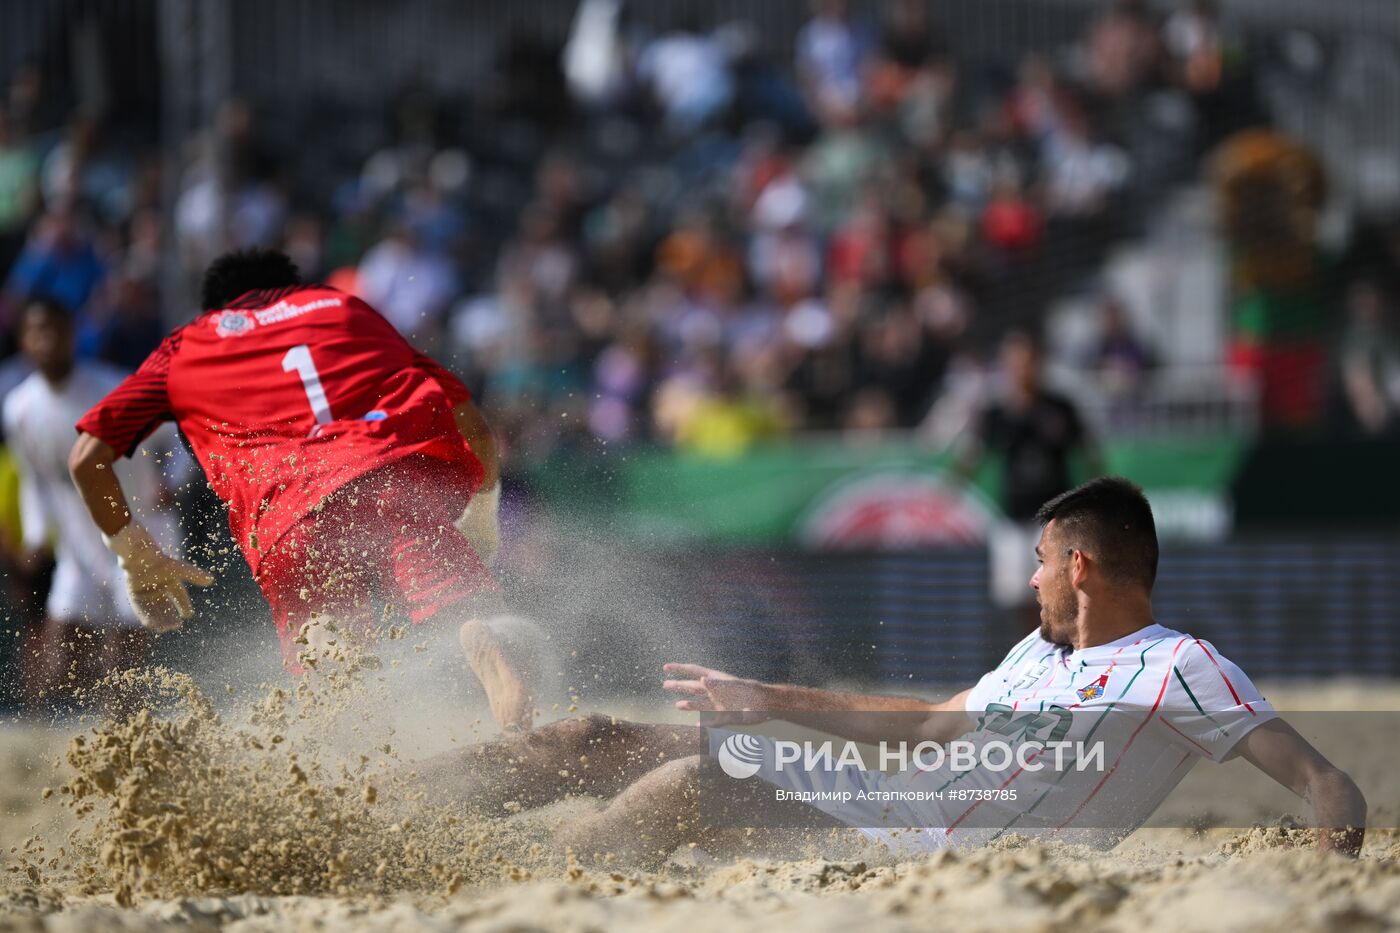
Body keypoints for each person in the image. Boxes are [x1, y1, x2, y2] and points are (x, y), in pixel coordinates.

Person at [416, 478, 1366, 864]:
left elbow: (1329, 782)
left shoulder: (1181, 667)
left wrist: (1330, 878)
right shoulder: (1041, 649)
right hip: (879, 793)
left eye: (1039, 557)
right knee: (595, 738)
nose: (1029, 574)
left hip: (921, 845)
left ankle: (512, 881)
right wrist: (766, 697)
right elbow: (921, 727)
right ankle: (370, 811)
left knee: (683, 782)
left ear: (1080, 566)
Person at [68, 248, 537, 730]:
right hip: (385, 479)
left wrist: (135, 555)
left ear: (218, 308)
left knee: (335, 675)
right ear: (294, 287)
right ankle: (486, 653)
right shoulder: (343, 308)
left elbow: (85, 459)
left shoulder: (188, 344)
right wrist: (483, 512)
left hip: (287, 516)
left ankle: (363, 759)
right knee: (466, 612)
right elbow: (473, 424)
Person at [3, 297, 177, 714]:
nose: (46, 340)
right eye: (36, 331)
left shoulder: (112, 388)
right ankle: (37, 761)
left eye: (55, 329)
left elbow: (174, 439)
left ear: (72, 334)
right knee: (57, 661)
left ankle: (136, 755)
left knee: (120, 665)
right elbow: (36, 480)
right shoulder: (19, 408)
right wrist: (36, 535)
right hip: (79, 548)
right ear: (23, 341)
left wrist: (172, 482)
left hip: (140, 540)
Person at [955, 331, 1100, 627]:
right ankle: (1032, 654)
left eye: (1027, 360)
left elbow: (1087, 453)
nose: (1021, 368)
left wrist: (1094, 498)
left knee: (1059, 592)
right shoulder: (997, 413)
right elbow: (973, 455)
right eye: (1014, 362)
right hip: (1013, 519)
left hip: (1054, 519)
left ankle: (1062, 653)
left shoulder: (1059, 408)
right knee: (1016, 597)